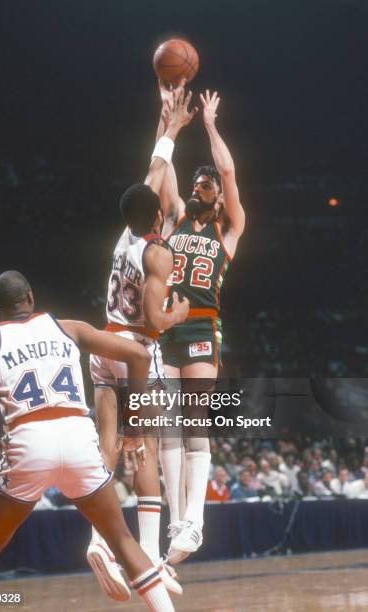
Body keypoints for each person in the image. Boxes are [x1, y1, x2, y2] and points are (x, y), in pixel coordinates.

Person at [0, 271, 175, 612]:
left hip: (29, 443)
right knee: (121, 540)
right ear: (30, 295)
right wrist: (132, 426)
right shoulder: (69, 328)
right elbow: (140, 357)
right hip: (77, 437)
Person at [87, 86, 195, 598]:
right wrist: (177, 312)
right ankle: (149, 558)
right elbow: (155, 318)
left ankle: (98, 537)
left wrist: (170, 127)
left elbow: (152, 171)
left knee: (108, 446)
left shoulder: (123, 235)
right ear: (157, 216)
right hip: (135, 353)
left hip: (102, 346)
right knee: (145, 449)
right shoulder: (156, 253)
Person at [155, 81, 246, 563]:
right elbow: (162, 166)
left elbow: (229, 171)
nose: (198, 186)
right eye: (197, 183)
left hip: (203, 328)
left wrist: (209, 126)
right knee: (166, 428)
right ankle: (178, 523)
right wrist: (166, 119)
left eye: (204, 185)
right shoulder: (172, 220)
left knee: (194, 424)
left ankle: (197, 520)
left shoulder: (227, 229)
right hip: (166, 327)